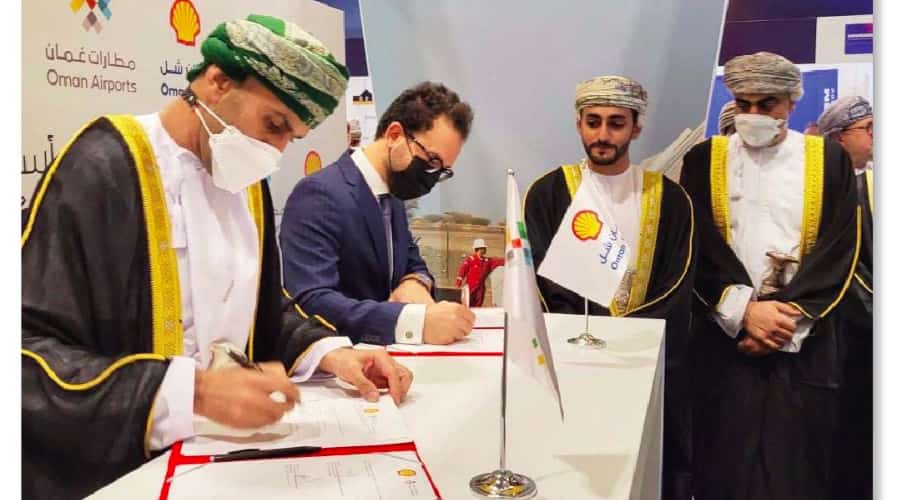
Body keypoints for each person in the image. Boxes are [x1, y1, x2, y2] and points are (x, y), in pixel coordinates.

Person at [21, 15, 413, 499]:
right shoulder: (103, 165)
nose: (277, 150)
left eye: (292, 136)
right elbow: (27, 355)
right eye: (274, 125)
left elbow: (259, 309)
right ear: (217, 81)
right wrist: (191, 392)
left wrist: (332, 353)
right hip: (119, 474)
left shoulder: (244, 182)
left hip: (222, 463)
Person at [679, 52, 860, 500]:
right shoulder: (704, 159)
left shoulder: (828, 159)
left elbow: (839, 248)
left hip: (802, 345)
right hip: (725, 341)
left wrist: (784, 321)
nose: (754, 114)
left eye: (767, 104)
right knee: (720, 468)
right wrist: (745, 313)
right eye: (744, 104)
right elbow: (698, 247)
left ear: (791, 103)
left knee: (794, 472)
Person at [524, 75, 696, 500]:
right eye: (593, 122)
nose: (602, 134)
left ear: (636, 128)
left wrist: (625, 339)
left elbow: (678, 281)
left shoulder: (672, 199)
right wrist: (590, 339)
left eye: (616, 123)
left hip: (645, 363)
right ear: (579, 124)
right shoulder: (547, 193)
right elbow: (540, 281)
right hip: (572, 364)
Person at [280, 82, 476, 346]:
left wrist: (416, 282)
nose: (432, 176)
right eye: (431, 161)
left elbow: (413, 263)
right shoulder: (319, 194)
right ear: (394, 135)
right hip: (339, 360)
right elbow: (310, 300)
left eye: (442, 170)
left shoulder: (393, 195)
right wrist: (412, 322)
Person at [818, 95, 874, 500]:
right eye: (867, 129)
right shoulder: (831, 192)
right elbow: (850, 269)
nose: (875, 137)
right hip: (848, 337)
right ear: (839, 138)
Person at [455, 238, 504, 307]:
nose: (485, 250)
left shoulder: (487, 261)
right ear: (479, 249)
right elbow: (463, 270)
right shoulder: (470, 260)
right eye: (484, 248)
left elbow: (499, 261)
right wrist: (459, 281)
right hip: (470, 287)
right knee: (468, 305)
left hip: (480, 289)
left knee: (478, 306)